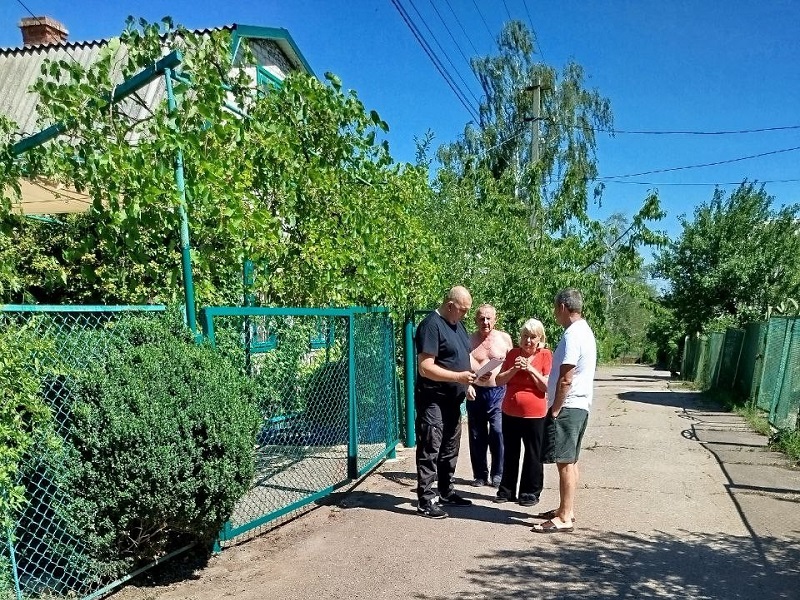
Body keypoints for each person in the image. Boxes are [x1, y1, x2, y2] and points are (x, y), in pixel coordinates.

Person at [533, 288, 596, 534]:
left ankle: (565, 516)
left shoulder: (572, 335)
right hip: (579, 405)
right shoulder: (585, 331)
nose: (554, 313)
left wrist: (556, 408)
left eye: (554, 308)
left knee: (564, 462)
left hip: (569, 406)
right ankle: (565, 509)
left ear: (562, 307)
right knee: (570, 460)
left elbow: (566, 377)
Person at [414, 286, 476, 519]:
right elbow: (425, 367)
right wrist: (458, 378)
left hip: (454, 398)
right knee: (431, 444)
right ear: (450, 305)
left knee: (450, 445)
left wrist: (466, 383)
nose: (465, 315)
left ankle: (446, 491)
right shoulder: (431, 325)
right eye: (463, 310)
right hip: (433, 399)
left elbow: (461, 359)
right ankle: (425, 498)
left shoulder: (458, 325)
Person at [493, 319, 552, 506]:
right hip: (510, 411)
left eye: (532, 337)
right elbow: (498, 380)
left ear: (540, 339)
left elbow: (546, 386)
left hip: (535, 414)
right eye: (525, 336)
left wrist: (531, 369)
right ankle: (506, 490)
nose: (528, 341)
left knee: (533, 454)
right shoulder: (512, 354)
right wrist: (514, 369)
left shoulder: (545, 355)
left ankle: (530, 492)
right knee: (510, 452)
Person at [467, 304, 514, 488]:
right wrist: (466, 385)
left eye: (488, 318)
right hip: (476, 391)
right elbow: (461, 364)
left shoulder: (504, 339)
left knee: (497, 431)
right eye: (481, 318)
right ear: (475, 320)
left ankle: (498, 473)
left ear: (495, 319)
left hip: (498, 392)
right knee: (477, 434)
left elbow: (511, 365)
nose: (485, 322)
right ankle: (480, 474)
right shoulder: (469, 340)